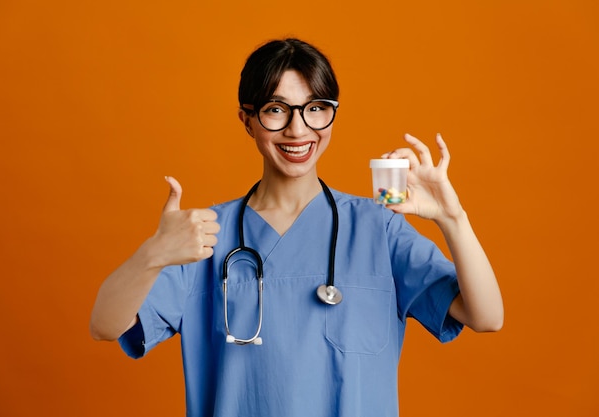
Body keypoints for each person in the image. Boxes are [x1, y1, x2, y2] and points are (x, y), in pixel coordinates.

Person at [90, 38, 503, 417]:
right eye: (275, 109)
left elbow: (486, 316)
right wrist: (153, 254)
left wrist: (452, 218)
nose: (298, 128)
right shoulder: (205, 236)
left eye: (315, 108)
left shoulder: (379, 228)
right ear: (247, 120)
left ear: (332, 115)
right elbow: (105, 326)